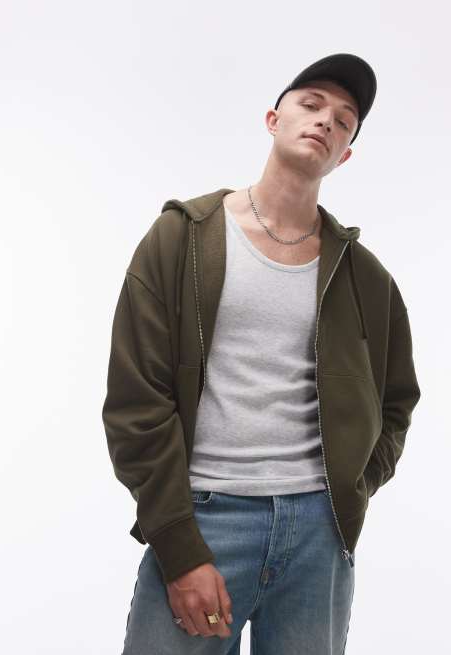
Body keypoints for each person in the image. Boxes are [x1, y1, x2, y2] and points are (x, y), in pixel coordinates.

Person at [102, 53, 421, 654]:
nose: (326, 121)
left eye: (344, 120)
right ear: (273, 120)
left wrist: (351, 489)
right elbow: (135, 399)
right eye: (311, 104)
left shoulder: (365, 277)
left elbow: (397, 401)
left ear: (345, 155)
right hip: (204, 518)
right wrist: (178, 544)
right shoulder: (182, 237)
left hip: (319, 536)